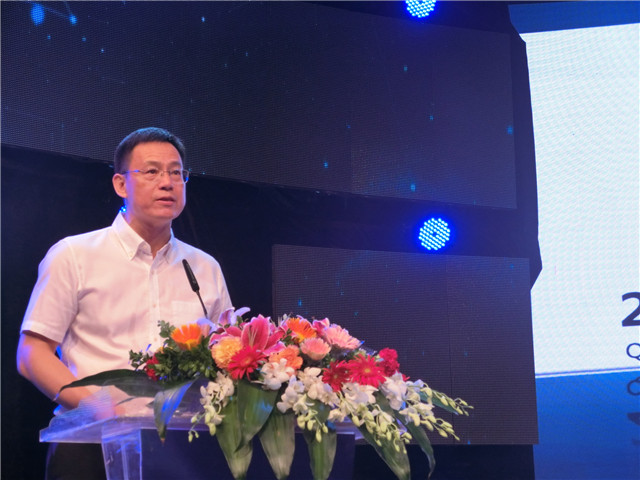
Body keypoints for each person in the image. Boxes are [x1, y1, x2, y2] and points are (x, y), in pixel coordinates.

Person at [16, 127, 233, 479]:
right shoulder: (74, 255)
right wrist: (100, 408)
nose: (167, 183)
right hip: (91, 444)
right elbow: (32, 355)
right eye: (152, 171)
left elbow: (228, 357)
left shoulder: (205, 267)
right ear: (121, 184)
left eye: (176, 173)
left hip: (186, 448)